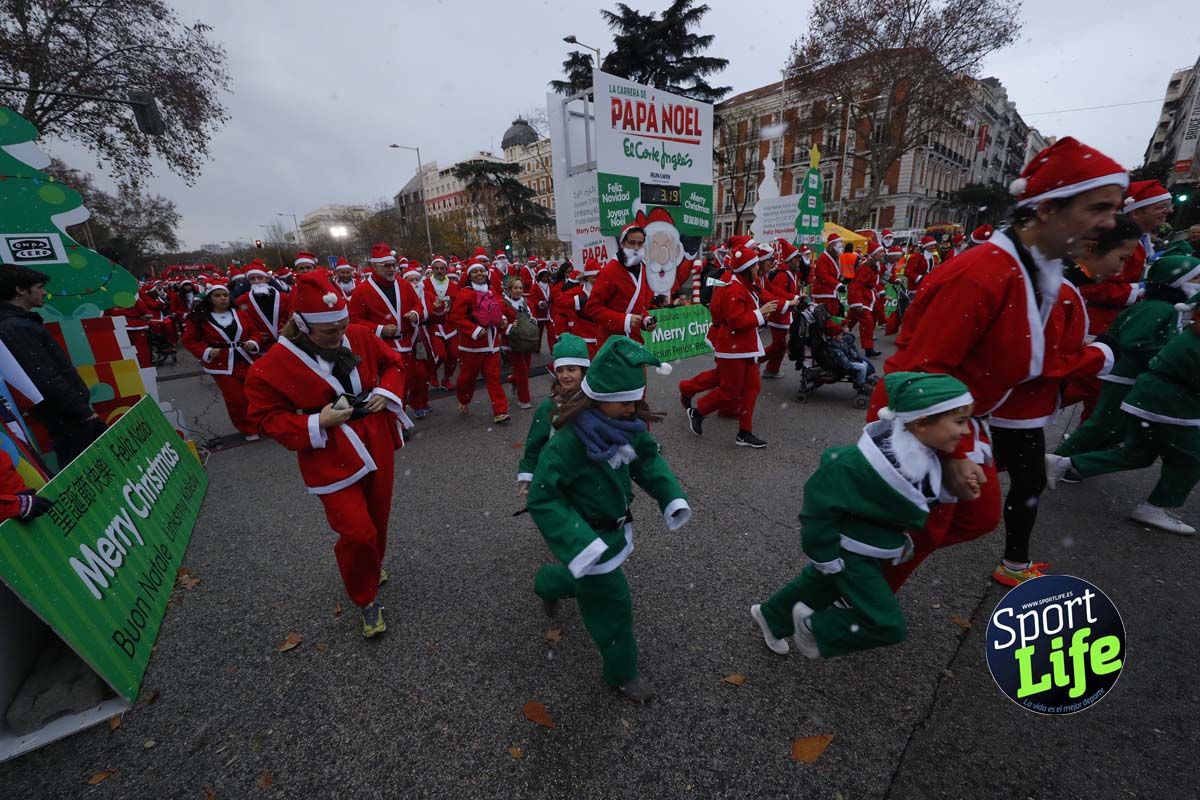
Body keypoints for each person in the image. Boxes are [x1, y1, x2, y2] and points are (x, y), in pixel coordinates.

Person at [867, 136, 1127, 589]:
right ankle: (853, 589)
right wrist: (953, 452)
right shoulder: (981, 274)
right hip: (927, 424)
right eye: (1099, 208)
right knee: (929, 524)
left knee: (975, 519)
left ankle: (865, 573)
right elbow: (918, 373)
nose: (1110, 224)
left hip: (966, 421)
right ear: (1046, 209)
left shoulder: (1031, 269)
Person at [751, 372, 973, 659]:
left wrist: (957, 487)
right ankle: (813, 629)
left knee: (820, 587)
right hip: (851, 550)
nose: (966, 432)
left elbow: (915, 495)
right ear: (921, 422)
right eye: (959, 422)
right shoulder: (857, 464)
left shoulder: (925, 455)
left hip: (869, 546)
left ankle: (770, 616)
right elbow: (818, 507)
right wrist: (824, 553)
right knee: (888, 625)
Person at [245, 273, 410, 637]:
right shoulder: (271, 367)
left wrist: (387, 390)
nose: (339, 336)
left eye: (342, 327)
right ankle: (365, 597)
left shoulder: (361, 336)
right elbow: (265, 419)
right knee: (357, 531)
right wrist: (316, 420)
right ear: (302, 326)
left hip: (375, 439)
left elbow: (394, 364)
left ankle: (372, 564)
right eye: (328, 332)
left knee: (378, 519)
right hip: (328, 454)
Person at [527, 336, 691, 703]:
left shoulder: (623, 427)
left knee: (579, 581)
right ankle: (622, 673)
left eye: (636, 399)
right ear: (599, 398)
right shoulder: (567, 443)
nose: (633, 409)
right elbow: (543, 496)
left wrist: (671, 496)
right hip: (590, 538)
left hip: (612, 531)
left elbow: (646, 459)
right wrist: (579, 543)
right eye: (624, 401)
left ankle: (548, 581)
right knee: (613, 605)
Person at [986, 217, 1140, 586]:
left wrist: (1086, 346)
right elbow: (1040, 362)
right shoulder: (1059, 290)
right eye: (1121, 258)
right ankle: (1013, 563)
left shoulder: (1060, 286)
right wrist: (1102, 353)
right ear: (1090, 250)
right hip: (1017, 409)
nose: (1123, 269)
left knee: (1001, 474)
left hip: (1018, 407)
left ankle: (1011, 559)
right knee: (1028, 483)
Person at [1046, 310, 1200, 535]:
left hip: (1149, 397)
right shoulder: (1169, 314)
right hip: (1169, 406)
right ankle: (1153, 508)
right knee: (1190, 459)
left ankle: (1063, 462)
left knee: (1137, 453)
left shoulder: (1191, 331)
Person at [1056, 252, 1200, 462]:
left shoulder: (1165, 307)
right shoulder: (1159, 308)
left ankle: (1074, 460)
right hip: (1121, 374)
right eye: (1196, 278)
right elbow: (1134, 341)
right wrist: (1165, 356)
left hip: (1123, 373)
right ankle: (1062, 461)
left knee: (1106, 422)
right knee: (1102, 422)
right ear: (1177, 280)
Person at [0, 265, 107, 467]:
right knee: (86, 469)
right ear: (20, 290)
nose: (45, 292)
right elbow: (44, 376)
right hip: (69, 419)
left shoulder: (19, 323)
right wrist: (81, 411)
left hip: (69, 416)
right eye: (39, 287)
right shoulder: (14, 326)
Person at [679, 237, 778, 449]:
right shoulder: (733, 287)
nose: (759, 268)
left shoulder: (744, 283)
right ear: (748, 268)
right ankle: (698, 411)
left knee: (752, 387)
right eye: (755, 265)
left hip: (745, 346)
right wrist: (760, 314)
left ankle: (745, 432)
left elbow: (762, 297)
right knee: (730, 389)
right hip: (732, 347)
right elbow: (736, 320)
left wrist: (783, 304)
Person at [1079, 180, 1172, 335]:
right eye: (1160, 207)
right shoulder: (1114, 237)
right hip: (1097, 324)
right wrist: (1139, 291)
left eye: (1168, 206)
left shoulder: (1143, 240)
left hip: (1116, 323)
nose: (1168, 211)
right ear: (1135, 212)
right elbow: (1087, 285)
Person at [182, 283, 268, 441]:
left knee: (258, 394)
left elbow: (254, 332)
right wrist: (206, 351)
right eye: (217, 295)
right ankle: (248, 427)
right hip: (221, 364)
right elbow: (189, 340)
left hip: (246, 359)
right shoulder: (200, 318)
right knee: (236, 398)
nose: (222, 298)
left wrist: (253, 342)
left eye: (225, 295)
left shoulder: (240, 313)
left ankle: (264, 423)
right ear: (210, 298)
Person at [516, 333, 590, 494]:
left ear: (584, 371)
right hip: (560, 473)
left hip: (591, 473)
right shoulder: (550, 405)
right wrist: (529, 476)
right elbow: (535, 443)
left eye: (571, 369)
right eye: (560, 370)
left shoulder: (595, 401)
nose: (565, 375)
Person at [451, 261, 514, 423]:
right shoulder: (465, 293)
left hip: (492, 344)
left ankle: (500, 411)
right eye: (475, 272)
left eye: (482, 271)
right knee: (467, 379)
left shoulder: (492, 291)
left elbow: (499, 309)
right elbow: (456, 317)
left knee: (493, 378)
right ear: (469, 275)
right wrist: (474, 330)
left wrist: (503, 319)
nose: (479, 274)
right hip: (471, 347)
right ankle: (464, 399)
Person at [586, 222, 656, 347]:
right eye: (632, 242)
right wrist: (624, 320)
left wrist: (645, 320)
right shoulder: (610, 271)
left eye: (640, 244)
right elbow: (592, 308)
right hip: (612, 343)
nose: (636, 247)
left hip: (634, 342)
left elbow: (636, 304)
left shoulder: (643, 268)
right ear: (622, 243)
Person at [761, 239, 805, 379]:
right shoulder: (782, 275)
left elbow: (772, 290)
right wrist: (789, 302)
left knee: (780, 346)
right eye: (796, 258)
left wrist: (795, 297)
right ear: (790, 260)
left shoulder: (791, 273)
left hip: (783, 312)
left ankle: (771, 369)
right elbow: (772, 293)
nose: (799, 261)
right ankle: (754, 361)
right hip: (778, 315)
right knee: (778, 345)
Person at [424, 256, 460, 389]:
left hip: (450, 325)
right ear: (432, 269)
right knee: (440, 355)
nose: (439, 271)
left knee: (454, 355)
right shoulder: (425, 284)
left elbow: (458, 304)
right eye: (436, 268)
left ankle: (446, 378)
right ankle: (433, 373)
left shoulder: (452, 285)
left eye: (442, 268)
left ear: (446, 269)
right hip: (434, 326)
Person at [500, 277, 535, 410]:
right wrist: (509, 326)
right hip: (512, 343)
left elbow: (533, 317)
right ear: (509, 289)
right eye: (515, 288)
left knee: (525, 369)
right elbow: (500, 324)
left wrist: (533, 321)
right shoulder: (503, 304)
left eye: (520, 288)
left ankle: (512, 379)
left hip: (527, 340)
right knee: (522, 370)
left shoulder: (527, 303)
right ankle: (524, 399)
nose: (518, 290)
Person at [237, 260, 291, 343]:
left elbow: (292, 316)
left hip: (285, 341)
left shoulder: (283, 297)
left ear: (267, 279)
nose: (257, 281)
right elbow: (242, 324)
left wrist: (288, 327)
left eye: (260, 277)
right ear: (249, 282)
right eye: (252, 279)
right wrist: (254, 334)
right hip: (261, 345)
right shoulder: (243, 300)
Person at [847, 242, 884, 358]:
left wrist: (880, 292)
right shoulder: (866, 267)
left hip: (866, 297)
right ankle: (868, 348)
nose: (882, 254)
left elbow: (874, 283)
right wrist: (858, 303)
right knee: (867, 322)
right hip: (862, 298)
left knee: (849, 321)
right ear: (873, 254)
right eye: (880, 252)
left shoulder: (874, 265)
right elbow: (857, 285)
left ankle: (836, 336)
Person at [810, 233, 844, 317]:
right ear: (832, 246)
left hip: (830, 291)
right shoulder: (823, 258)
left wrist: (839, 277)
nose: (841, 248)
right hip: (823, 292)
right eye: (839, 246)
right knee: (826, 316)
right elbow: (822, 275)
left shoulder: (834, 257)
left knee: (833, 313)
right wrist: (837, 285)